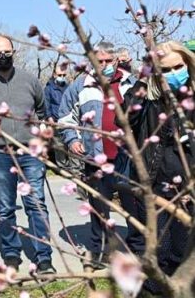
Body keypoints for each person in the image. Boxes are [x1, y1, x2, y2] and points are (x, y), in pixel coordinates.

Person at [0, 34, 55, 273]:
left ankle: (44, 257)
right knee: (5, 206)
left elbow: (41, 109)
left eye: (7, 52)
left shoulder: (30, 80)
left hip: (30, 152)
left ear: (13, 52)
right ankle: (11, 254)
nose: (3, 57)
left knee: (36, 203)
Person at [122, 40, 194, 291]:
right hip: (153, 186)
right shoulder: (150, 100)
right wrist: (143, 78)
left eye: (178, 67)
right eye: (165, 70)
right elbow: (126, 116)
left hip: (186, 189)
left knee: (182, 249)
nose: (173, 75)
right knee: (158, 249)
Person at [58, 42, 137, 266]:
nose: (103, 66)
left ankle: (138, 250)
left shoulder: (130, 83)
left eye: (107, 61)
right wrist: (72, 140)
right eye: (98, 61)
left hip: (126, 158)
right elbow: (65, 116)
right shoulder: (81, 85)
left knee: (133, 206)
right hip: (96, 157)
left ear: (115, 61)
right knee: (99, 209)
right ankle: (100, 252)